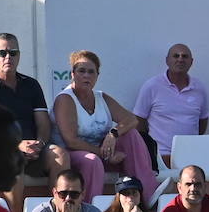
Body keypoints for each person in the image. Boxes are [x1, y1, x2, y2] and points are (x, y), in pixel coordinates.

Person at [51, 49, 154, 201]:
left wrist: (113, 133)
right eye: (81, 71)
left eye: (91, 72)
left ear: (97, 76)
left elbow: (132, 120)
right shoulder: (65, 99)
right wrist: (104, 153)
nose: (86, 75)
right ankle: (91, 210)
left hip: (103, 154)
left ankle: (147, 192)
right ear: (72, 74)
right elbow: (71, 141)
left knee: (131, 135)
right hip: (72, 154)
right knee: (92, 161)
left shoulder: (101, 97)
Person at [0, 32, 67, 180]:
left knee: (60, 155)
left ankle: (59, 202)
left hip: (34, 152)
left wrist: (39, 144)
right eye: (2, 53)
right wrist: (17, 146)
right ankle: (15, 205)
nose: (8, 57)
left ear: (19, 55)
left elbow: (43, 123)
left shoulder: (31, 85)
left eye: (13, 53)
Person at [133, 43, 209, 162]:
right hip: (160, 155)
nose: (180, 59)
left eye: (185, 56)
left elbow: (203, 121)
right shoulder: (152, 86)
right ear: (167, 60)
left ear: (191, 61)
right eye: (176, 56)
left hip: (191, 154)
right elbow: (139, 120)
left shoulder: (200, 88)